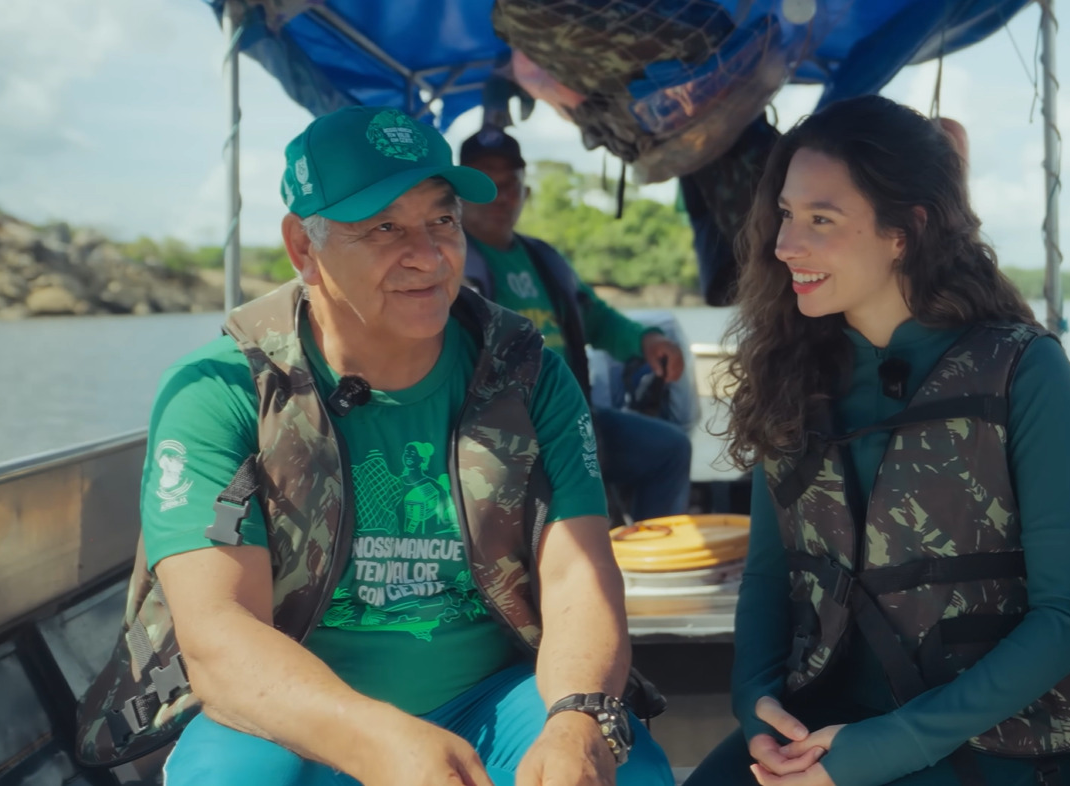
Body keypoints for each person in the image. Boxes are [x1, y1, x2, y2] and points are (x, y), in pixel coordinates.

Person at [75, 105, 673, 786]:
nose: (427, 254)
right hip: (291, 717)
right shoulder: (223, 390)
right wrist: (376, 740)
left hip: (492, 699)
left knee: (623, 773)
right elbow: (218, 638)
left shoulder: (527, 375)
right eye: (384, 227)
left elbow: (578, 578)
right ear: (304, 248)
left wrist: (575, 720)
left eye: (442, 221)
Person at [684, 95, 1070, 786]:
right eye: (784, 214)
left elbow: (1068, 618)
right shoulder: (791, 371)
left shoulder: (1021, 369)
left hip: (994, 742)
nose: (784, 246)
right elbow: (770, 577)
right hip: (821, 725)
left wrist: (880, 751)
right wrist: (758, 708)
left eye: (821, 220)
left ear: (906, 230)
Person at [457, 127, 693, 522]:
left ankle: (652, 560)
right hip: (498, 429)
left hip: (573, 414)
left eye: (510, 184)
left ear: (525, 192)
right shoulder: (449, 263)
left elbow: (597, 318)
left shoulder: (544, 259)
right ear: (460, 194)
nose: (500, 196)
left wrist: (646, 340)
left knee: (668, 449)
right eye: (485, 184)